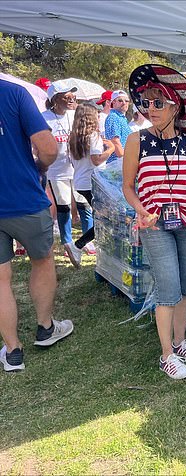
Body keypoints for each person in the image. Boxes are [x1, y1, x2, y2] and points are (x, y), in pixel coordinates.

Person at [123, 64, 186, 380]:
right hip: (154, 224)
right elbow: (128, 187)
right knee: (168, 287)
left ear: (176, 107)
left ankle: (179, 341)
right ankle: (166, 356)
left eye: (158, 103)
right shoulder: (137, 140)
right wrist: (140, 210)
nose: (150, 109)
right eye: (146, 102)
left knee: (185, 285)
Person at [0, 79, 74, 372]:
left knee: (1, 279)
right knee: (42, 261)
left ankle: (12, 349)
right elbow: (48, 149)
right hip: (24, 198)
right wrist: (39, 168)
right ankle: (45, 327)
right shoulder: (13, 93)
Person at [41, 80, 94, 256]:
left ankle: (88, 241)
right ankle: (67, 242)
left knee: (84, 204)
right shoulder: (44, 118)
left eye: (73, 96)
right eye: (67, 97)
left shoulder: (76, 115)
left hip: (79, 169)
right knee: (63, 206)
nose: (72, 100)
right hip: (57, 171)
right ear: (56, 99)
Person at [65, 104, 116, 267]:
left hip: (81, 181)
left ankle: (84, 246)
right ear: (91, 117)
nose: (99, 117)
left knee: (101, 217)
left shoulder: (74, 136)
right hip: (94, 182)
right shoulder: (93, 135)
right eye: (96, 114)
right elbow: (96, 160)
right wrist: (111, 149)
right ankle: (77, 246)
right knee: (105, 219)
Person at [104, 89, 132, 162]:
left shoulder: (121, 118)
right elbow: (115, 141)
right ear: (113, 102)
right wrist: (125, 160)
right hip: (117, 162)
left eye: (126, 101)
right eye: (120, 100)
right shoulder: (113, 117)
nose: (124, 103)